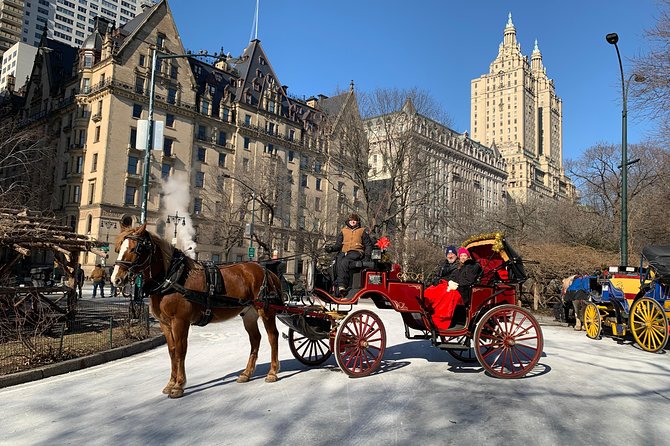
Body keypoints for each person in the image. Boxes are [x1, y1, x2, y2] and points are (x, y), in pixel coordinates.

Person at [424, 247, 482, 330]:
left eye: (464, 255)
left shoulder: (472, 266)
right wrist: (443, 281)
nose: (462, 257)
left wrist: (454, 284)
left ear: (468, 256)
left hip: (465, 291)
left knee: (446, 294)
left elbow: (468, 280)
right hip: (458, 287)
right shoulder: (460, 266)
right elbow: (453, 277)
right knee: (436, 289)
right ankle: (428, 309)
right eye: (461, 256)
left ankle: (441, 319)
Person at [325, 213, 373, 296]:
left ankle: (343, 286)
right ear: (348, 221)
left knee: (345, 261)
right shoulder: (343, 231)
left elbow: (368, 245)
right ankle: (336, 287)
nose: (353, 222)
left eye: (354, 220)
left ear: (357, 222)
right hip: (344, 252)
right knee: (337, 262)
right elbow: (338, 245)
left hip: (356, 251)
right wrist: (331, 249)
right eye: (351, 220)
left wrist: (367, 256)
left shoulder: (362, 231)